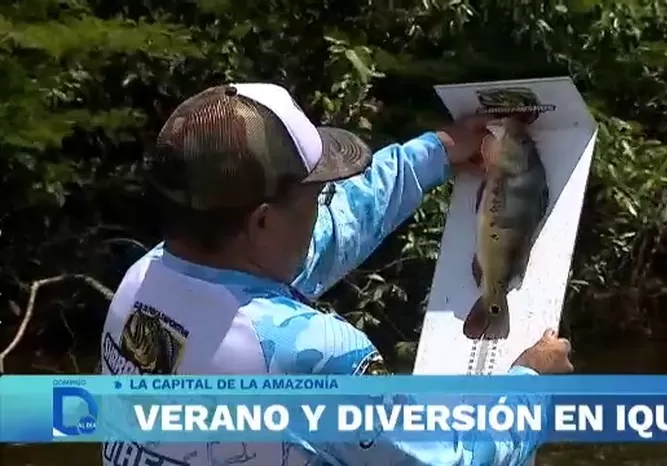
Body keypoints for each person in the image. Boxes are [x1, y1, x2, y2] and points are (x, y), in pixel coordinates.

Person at [99, 83, 573, 466]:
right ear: (263, 221)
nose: (323, 204)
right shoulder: (310, 356)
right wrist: (531, 382)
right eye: (315, 195)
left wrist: (436, 152)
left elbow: (327, 235)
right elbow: (450, 459)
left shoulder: (144, 280)